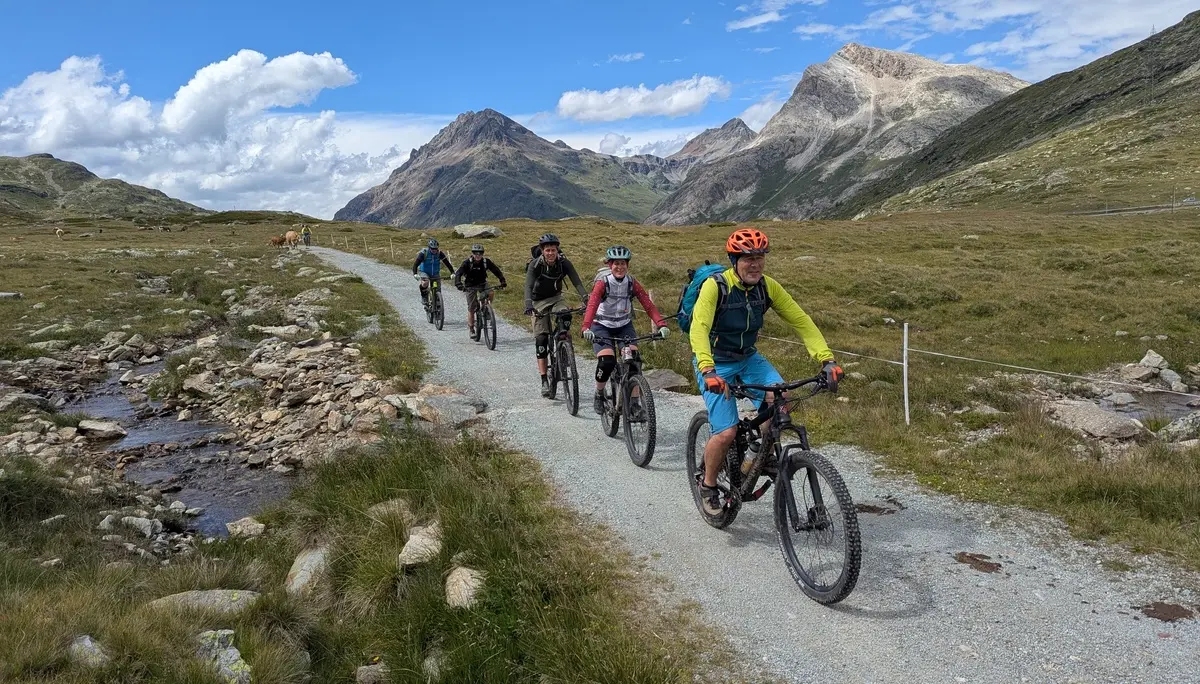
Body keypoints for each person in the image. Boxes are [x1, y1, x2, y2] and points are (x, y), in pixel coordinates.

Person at [688, 227, 843, 516]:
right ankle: (708, 484)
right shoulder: (715, 286)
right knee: (726, 432)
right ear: (734, 261)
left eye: (760, 258)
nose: (755, 264)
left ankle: (756, 451)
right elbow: (699, 328)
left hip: (748, 358)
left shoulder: (767, 287)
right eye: (748, 258)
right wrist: (708, 369)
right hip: (715, 362)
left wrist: (827, 360)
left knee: (781, 399)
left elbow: (800, 320)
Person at [580, 245, 669, 416]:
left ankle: (634, 403)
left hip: (624, 326)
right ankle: (599, 393)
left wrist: (661, 324)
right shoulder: (603, 283)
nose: (620, 267)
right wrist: (586, 327)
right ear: (610, 265)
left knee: (634, 362)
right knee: (606, 362)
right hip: (601, 326)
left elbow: (648, 305)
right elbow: (592, 305)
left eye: (623, 264)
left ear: (627, 265)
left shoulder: (632, 283)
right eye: (616, 264)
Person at [524, 233, 589, 397]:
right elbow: (528, 286)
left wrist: (585, 298)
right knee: (541, 340)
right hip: (538, 301)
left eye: (553, 250)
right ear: (542, 251)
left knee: (565, 315)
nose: (550, 253)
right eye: (547, 250)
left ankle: (565, 348)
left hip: (556, 298)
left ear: (557, 250)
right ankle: (544, 380)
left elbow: (577, 282)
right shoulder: (535, 265)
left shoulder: (564, 263)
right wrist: (528, 304)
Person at [454, 243, 507, 336]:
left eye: (480, 253)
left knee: (491, 292)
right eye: (476, 253)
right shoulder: (467, 263)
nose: (478, 255)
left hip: (482, 284)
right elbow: (458, 273)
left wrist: (502, 280)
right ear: (473, 254)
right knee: (471, 308)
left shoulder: (486, 262)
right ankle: (471, 329)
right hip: (470, 286)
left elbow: (496, 270)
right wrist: (458, 284)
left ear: (482, 254)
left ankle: (486, 309)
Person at [412, 239, 454, 308]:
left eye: (435, 249)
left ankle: (438, 305)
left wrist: (452, 272)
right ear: (429, 248)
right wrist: (415, 273)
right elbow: (416, 264)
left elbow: (447, 263)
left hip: (435, 273)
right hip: (424, 272)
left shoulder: (439, 253)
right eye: (432, 249)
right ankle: (424, 296)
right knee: (425, 282)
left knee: (438, 289)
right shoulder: (424, 253)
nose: (434, 250)